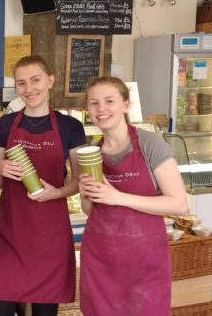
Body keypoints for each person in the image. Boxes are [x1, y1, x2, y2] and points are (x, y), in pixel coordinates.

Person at [78, 77, 187, 315]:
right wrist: (86, 194)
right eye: (94, 103)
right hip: (100, 260)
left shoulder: (150, 144)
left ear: (126, 105)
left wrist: (118, 197)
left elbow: (179, 204)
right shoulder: (92, 153)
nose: (101, 109)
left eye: (109, 101)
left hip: (144, 260)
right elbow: (90, 210)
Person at [0, 55, 86, 316]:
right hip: (10, 230)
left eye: (35, 80)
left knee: (45, 310)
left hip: (49, 236)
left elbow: (78, 181)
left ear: (50, 80)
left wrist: (57, 192)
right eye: (21, 83)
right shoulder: (4, 125)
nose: (29, 89)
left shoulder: (70, 127)